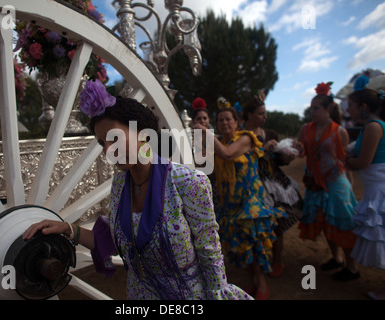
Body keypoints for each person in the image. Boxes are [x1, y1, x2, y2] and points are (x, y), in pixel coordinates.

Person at [23, 79, 252, 300]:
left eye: (114, 138)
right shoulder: (120, 184)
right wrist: (68, 229)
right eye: (103, 143)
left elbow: (209, 253)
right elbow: (120, 241)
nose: (108, 150)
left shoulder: (189, 182)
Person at [194, 103, 283, 300]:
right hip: (230, 205)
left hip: (249, 202)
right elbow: (201, 165)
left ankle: (262, 285)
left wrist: (207, 136)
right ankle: (254, 283)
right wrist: (196, 141)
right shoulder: (216, 142)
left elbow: (227, 154)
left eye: (228, 119)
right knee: (242, 249)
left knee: (253, 245)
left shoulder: (245, 138)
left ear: (237, 122)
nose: (224, 122)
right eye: (220, 120)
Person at [297, 82, 359, 281]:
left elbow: (345, 160)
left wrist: (350, 186)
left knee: (343, 224)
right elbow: (301, 152)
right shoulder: (305, 129)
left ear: (327, 110)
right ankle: (337, 258)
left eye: (316, 108)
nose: (311, 111)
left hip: (336, 184)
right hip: (315, 184)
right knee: (325, 224)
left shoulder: (340, 131)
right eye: (311, 107)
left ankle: (352, 267)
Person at [242, 91, 303, 278]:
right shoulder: (240, 135)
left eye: (265, 113)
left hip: (275, 183)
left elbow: (280, 162)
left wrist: (286, 155)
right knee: (254, 228)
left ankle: (277, 261)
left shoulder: (270, 133)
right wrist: (261, 149)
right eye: (261, 113)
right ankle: (257, 267)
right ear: (250, 115)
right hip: (252, 185)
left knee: (277, 224)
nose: (265, 117)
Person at [346, 88, 385, 299]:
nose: (348, 109)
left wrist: (347, 162)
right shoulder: (372, 126)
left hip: (380, 190)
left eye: (350, 105)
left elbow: (363, 162)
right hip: (375, 187)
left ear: (363, 107)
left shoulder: (373, 127)